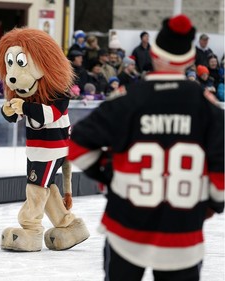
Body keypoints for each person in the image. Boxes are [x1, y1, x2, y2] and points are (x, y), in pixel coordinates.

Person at [68, 14, 224, 281]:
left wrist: (109, 172)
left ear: (152, 53)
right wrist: (211, 204)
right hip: (183, 237)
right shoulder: (208, 108)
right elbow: (220, 180)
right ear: (189, 60)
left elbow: (78, 145)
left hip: (126, 230)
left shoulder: (128, 100)